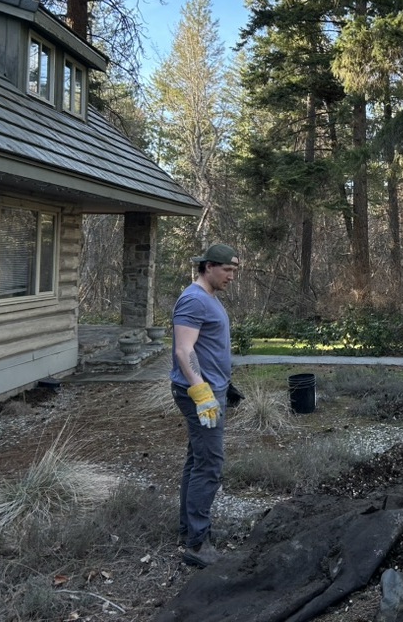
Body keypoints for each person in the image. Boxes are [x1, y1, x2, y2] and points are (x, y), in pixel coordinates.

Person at [170, 243, 240, 567]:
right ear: (209, 266)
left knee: (196, 460)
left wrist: (226, 385)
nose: (231, 277)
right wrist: (202, 392)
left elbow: (209, 347)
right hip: (201, 395)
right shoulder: (193, 299)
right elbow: (184, 351)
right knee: (209, 464)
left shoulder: (208, 298)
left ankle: (188, 531)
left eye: (234, 271)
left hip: (214, 389)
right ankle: (198, 545)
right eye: (227, 270)